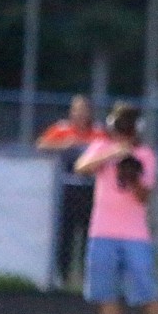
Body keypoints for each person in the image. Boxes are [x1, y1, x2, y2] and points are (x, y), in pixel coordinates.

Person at [73, 102, 158, 314]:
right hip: (102, 231)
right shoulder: (103, 147)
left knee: (147, 289)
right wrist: (112, 154)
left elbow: (144, 197)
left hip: (134, 234)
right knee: (106, 290)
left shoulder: (145, 154)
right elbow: (81, 167)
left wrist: (133, 176)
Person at [36, 94, 105, 287]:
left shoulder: (98, 132)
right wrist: (64, 144)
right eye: (76, 110)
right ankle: (63, 278)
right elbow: (41, 144)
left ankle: (87, 278)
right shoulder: (62, 129)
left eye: (84, 110)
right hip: (67, 189)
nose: (80, 114)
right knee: (65, 234)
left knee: (89, 236)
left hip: (91, 189)